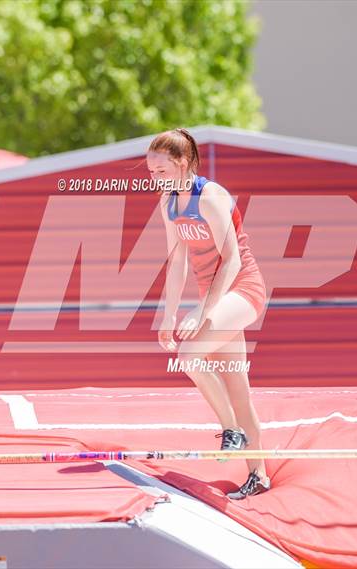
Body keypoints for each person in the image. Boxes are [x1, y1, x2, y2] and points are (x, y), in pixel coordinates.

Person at [147, 127, 271, 499]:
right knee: (237, 387)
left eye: (162, 171)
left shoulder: (210, 196)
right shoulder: (169, 202)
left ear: (184, 163)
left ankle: (232, 430)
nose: (156, 178)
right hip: (214, 297)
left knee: (189, 355)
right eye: (151, 172)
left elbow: (231, 260)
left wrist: (202, 309)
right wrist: (168, 316)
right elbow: (176, 262)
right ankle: (260, 475)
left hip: (241, 289)